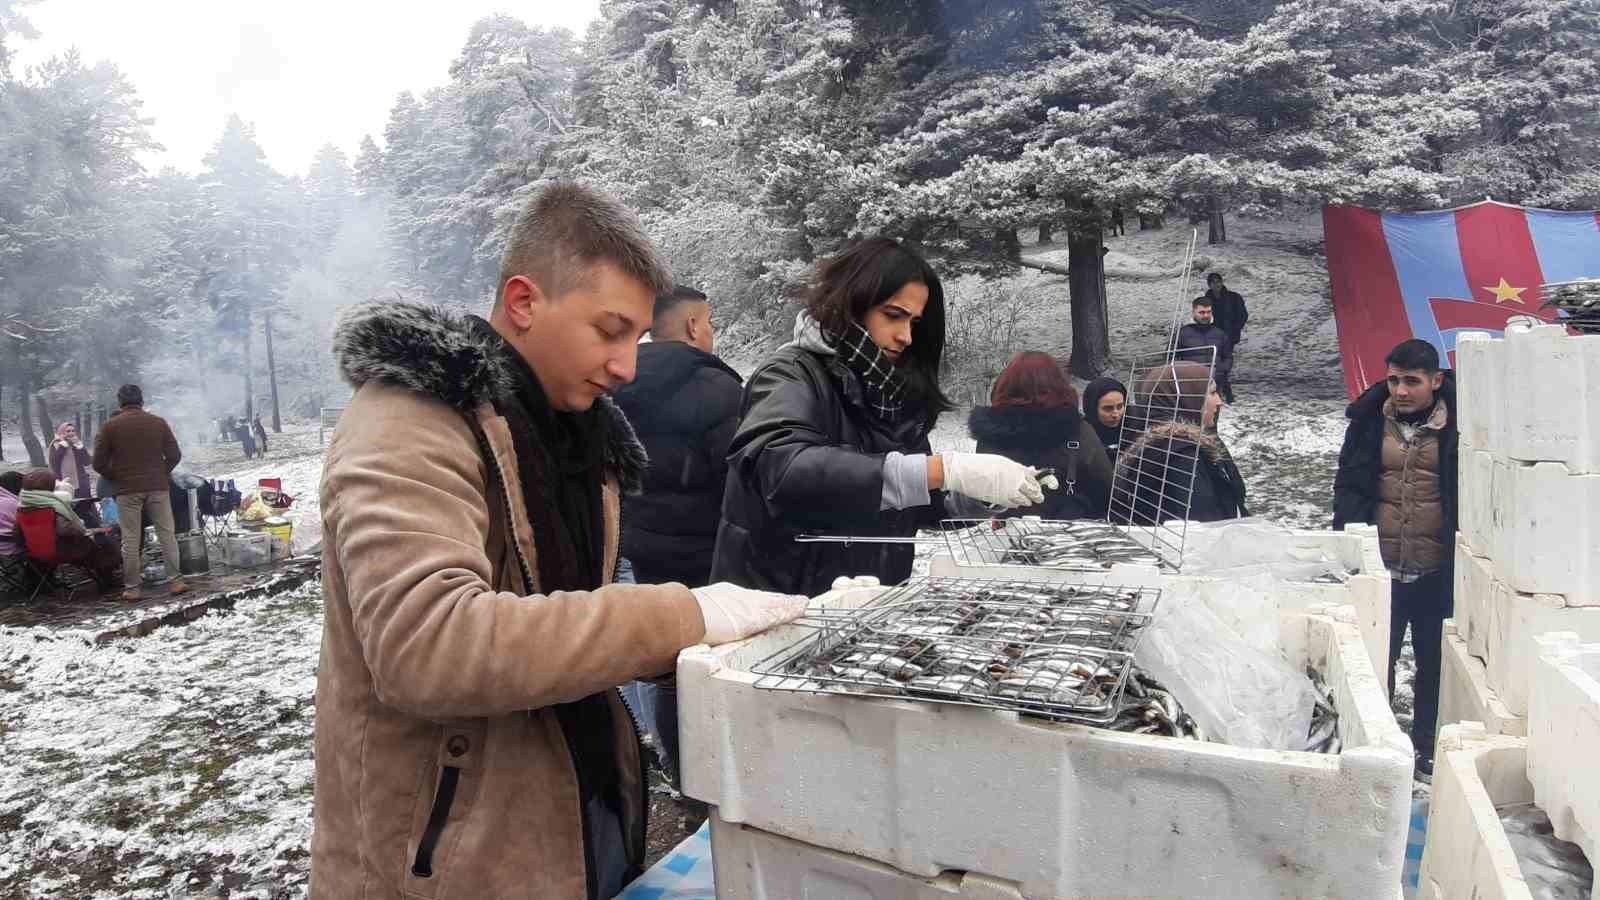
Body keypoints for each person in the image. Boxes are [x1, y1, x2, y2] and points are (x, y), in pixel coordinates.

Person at [311, 181, 808, 900]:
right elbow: (427, 646)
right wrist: (681, 616)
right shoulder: (411, 416)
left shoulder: (581, 438)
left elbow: (569, 627)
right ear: (523, 303)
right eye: (609, 331)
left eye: (635, 338)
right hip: (442, 859)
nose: (627, 366)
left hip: (568, 819)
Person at [712, 237, 1046, 595]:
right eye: (893, 315)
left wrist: (975, 492)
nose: (905, 336)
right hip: (781, 602)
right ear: (851, 303)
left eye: (915, 323)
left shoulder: (892, 390)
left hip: (869, 599)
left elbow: (913, 497)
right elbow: (783, 470)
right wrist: (943, 468)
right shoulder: (789, 373)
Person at [1332, 338, 1458, 782]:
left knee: (1433, 665)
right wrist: (1346, 542)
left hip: (1435, 569)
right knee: (1373, 664)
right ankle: (1376, 747)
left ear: (1435, 381)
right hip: (1381, 569)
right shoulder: (1369, 423)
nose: (1400, 391)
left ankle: (1425, 745)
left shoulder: (1459, 426)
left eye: (1411, 381)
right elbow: (1348, 484)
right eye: (1392, 380)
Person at [613, 285, 741, 588]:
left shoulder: (617, 382)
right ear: (693, 326)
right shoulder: (717, 387)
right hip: (706, 555)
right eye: (709, 321)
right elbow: (739, 480)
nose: (711, 330)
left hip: (637, 546)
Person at [967, 352, 1112, 521]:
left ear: (1004, 386)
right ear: (1059, 385)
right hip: (1069, 534)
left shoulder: (989, 435)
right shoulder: (1079, 431)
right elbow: (1106, 491)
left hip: (1005, 533)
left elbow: (981, 493)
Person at [1111, 362, 1247, 525]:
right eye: (1211, 393)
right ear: (1184, 398)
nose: (1219, 401)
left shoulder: (1173, 443)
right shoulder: (1182, 456)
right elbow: (1203, 525)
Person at [92, 384, 186, 601]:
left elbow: (98, 462)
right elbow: (174, 454)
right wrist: (162, 472)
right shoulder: (158, 422)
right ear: (141, 401)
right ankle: (177, 582)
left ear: (120, 402)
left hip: (126, 490)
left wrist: (115, 476)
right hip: (157, 487)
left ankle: (132, 588)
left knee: (131, 539)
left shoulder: (109, 427)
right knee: (167, 535)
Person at [16, 468, 122, 591]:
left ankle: (39, 583)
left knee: (97, 537)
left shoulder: (22, 506)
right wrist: (84, 528)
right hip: (63, 551)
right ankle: (108, 580)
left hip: (35, 553)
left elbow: (18, 533)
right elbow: (65, 530)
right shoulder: (52, 506)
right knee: (103, 542)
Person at [1175, 295, 1235, 403]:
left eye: (1208, 312)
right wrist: (1184, 374)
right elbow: (1171, 358)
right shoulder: (1182, 333)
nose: (1206, 315)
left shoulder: (1220, 334)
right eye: (1202, 312)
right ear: (1193, 312)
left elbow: (1228, 357)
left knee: (1212, 417)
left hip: (1215, 385)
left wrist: (1221, 371)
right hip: (1190, 386)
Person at [49, 423, 100, 527]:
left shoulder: (76, 444)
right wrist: (63, 447)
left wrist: (80, 447)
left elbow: (87, 461)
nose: (71, 433)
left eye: (73, 431)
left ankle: (95, 528)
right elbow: (54, 462)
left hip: (81, 482)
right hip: (64, 483)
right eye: (68, 431)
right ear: (61, 432)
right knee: (68, 508)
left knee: (87, 507)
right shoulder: (56, 444)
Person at [1082, 376, 1128, 470]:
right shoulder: (1083, 435)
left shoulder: (1134, 426)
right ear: (1092, 409)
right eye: (1108, 408)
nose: (1116, 414)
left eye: (1120, 406)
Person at [1197, 271, 1248, 349]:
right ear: (1209, 285)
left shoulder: (1234, 297)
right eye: (1213, 282)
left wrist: (1236, 329)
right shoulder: (1204, 301)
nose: (1216, 284)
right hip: (1212, 336)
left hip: (1230, 335)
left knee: (1226, 357)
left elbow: (1243, 315)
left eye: (1218, 281)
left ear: (1222, 282)